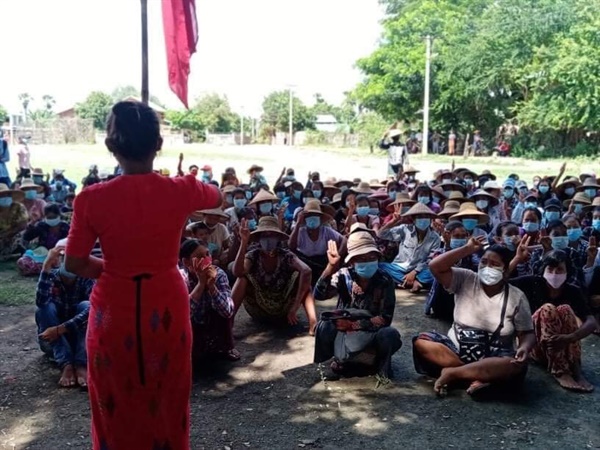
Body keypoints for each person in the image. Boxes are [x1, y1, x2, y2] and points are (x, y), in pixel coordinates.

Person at [64, 101, 221, 449]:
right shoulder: (179, 190)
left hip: (112, 311)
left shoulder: (90, 199)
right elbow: (218, 196)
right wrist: (183, 181)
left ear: (110, 147)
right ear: (158, 145)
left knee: (114, 404)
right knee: (167, 401)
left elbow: (73, 263)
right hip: (167, 304)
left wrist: (113, 270)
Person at [413, 238, 536, 397]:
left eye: (494, 264)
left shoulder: (516, 296)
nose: (487, 267)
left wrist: (524, 347)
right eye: (484, 262)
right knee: (421, 342)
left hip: (495, 356)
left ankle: (453, 374)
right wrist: (467, 248)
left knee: (513, 365)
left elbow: (527, 333)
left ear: (505, 269)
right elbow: (435, 266)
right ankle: (476, 376)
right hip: (456, 350)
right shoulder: (466, 278)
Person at [313, 234, 402, 381]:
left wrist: (354, 325)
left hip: (371, 331)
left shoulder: (385, 280)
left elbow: (385, 319)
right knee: (323, 326)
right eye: (361, 259)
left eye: (372, 257)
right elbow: (320, 295)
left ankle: (380, 365)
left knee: (389, 334)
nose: (367, 262)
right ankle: (343, 359)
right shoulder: (343, 276)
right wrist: (331, 267)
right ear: (352, 262)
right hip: (344, 332)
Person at [510, 250, 597, 393]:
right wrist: (516, 259)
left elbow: (591, 322)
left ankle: (576, 369)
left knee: (565, 309)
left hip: (565, 345)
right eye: (550, 269)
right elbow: (500, 282)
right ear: (543, 269)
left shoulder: (573, 291)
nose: (554, 274)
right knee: (548, 309)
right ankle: (560, 370)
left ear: (567, 272)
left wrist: (570, 337)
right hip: (535, 346)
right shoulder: (531, 282)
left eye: (559, 270)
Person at [231, 217, 317, 333]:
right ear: (259, 238)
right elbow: (237, 272)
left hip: (284, 308)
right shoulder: (253, 255)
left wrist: (295, 307)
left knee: (302, 279)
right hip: (258, 308)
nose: (268, 239)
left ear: (277, 239)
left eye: (272, 235)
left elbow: (306, 271)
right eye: (265, 235)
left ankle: (313, 322)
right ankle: (228, 324)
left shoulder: (286, 255)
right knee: (242, 279)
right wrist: (243, 243)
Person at [35, 242, 94, 388]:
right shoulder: (52, 276)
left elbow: (93, 309)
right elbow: (41, 302)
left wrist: (60, 329)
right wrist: (46, 265)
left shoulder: (86, 278)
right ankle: (66, 364)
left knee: (86, 305)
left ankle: (81, 364)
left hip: (78, 338)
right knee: (44, 309)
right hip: (54, 341)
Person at [179, 239, 238, 364]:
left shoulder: (219, 274)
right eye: (200, 257)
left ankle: (227, 347)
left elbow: (228, 311)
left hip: (211, 322)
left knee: (221, 306)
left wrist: (212, 287)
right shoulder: (181, 279)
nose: (206, 259)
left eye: (207, 254)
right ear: (186, 262)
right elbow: (183, 316)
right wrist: (201, 284)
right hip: (193, 324)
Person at [378, 203, 440, 292]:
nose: (423, 219)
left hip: (421, 270)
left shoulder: (435, 237)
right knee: (380, 267)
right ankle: (415, 282)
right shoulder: (405, 229)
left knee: (434, 270)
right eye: (419, 217)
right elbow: (381, 234)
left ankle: (414, 281)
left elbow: (430, 259)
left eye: (426, 216)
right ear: (414, 219)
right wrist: (393, 221)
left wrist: (414, 272)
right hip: (400, 267)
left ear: (430, 219)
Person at [18, 203, 70, 276]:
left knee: (64, 264)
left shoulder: (65, 227)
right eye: (49, 217)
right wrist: (33, 222)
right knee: (22, 261)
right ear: (45, 217)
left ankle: (47, 269)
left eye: (54, 217)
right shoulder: (42, 226)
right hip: (43, 255)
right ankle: (48, 269)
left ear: (59, 215)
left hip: (60, 257)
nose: (51, 219)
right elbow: (27, 237)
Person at [0, 183, 28, 258]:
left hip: (16, 234)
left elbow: (23, 225)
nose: (5, 197)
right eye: (2, 195)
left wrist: (8, 234)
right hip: (2, 235)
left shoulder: (18, 207)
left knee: (21, 235)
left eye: (7, 195)